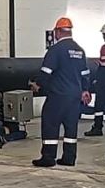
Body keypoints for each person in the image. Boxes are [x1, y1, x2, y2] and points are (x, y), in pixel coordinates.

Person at [30, 17, 91, 167]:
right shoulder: (80, 50)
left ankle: (48, 157)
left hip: (58, 95)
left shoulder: (56, 50)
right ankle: (69, 158)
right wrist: (85, 90)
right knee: (71, 127)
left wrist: (37, 84)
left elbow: (46, 72)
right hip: (74, 96)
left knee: (50, 124)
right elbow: (85, 74)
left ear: (57, 31)